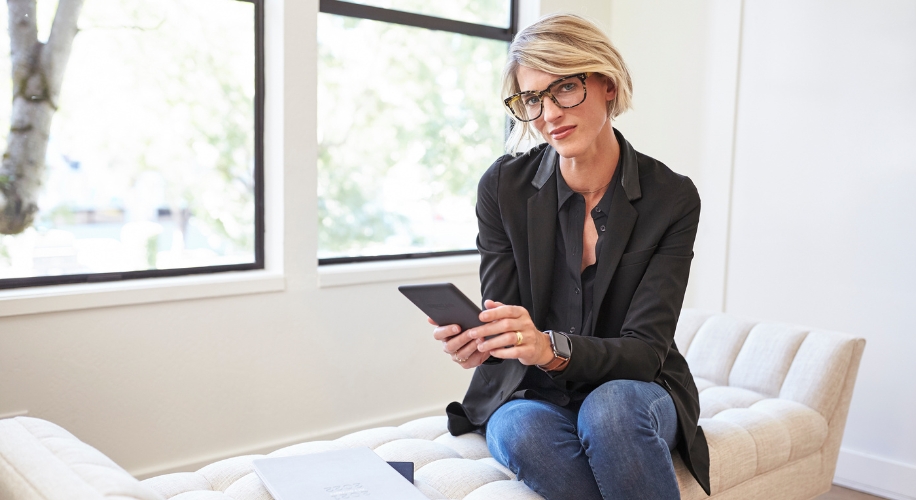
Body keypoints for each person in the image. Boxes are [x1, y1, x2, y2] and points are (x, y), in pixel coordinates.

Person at [430, 13, 711, 500]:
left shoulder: (673, 198)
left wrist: (551, 348)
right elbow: (506, 312)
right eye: (532, 99)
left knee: (612, 411)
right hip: (533, 393)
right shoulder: (503, 188)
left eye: (564, 89)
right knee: (521, 430)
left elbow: (646, 351)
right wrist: (484, 340)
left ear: (606, 82)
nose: (548, 115)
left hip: (637, 387)